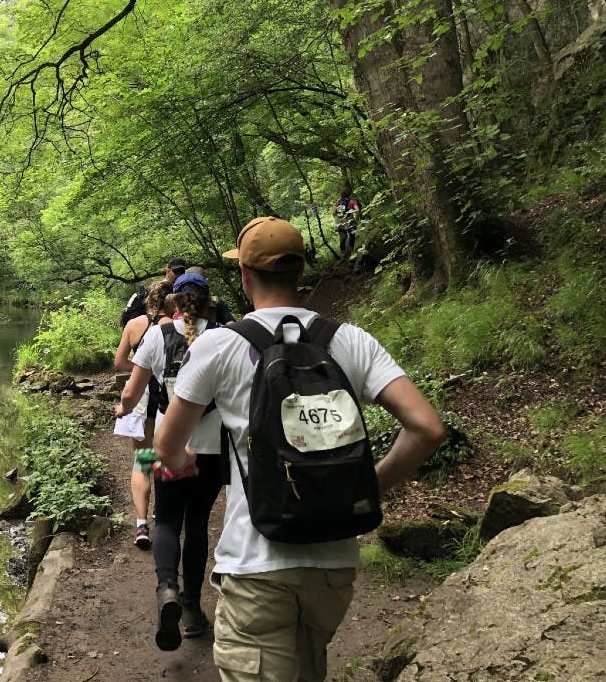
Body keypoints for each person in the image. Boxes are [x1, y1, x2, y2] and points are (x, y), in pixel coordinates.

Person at [154, 216, 445, 682]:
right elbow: (427, 428)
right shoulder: (350, 340)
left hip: (255, 561)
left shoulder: (218, 346)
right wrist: (369, 487)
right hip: (333, 563)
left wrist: (183, 460)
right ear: (302, 274)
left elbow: (166, 446)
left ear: (245, 276)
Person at [114, 272, 224, 650]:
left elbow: (132, 393)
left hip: (168, 443)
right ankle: (192, 608)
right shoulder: (225, 335)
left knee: (167, 519)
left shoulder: (157, 338)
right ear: (209, 300)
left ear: (174, 303)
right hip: (212, 447)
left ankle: (167, 590)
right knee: (197, 523)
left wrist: (121, 408)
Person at [113, 279, 175, 549]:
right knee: (162, 457)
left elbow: (119, 362)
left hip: (141, 398)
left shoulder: (134, 325)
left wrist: (140, 368)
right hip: (167, 398)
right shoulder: (174, 327)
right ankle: (162, 513)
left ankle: (141, 524)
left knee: (142, 460)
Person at [333, 189, 360, 258]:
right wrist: (356, 219)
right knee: (352, 236)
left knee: (343, 238)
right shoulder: (352, 202)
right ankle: (351, 252)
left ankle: (343, 254)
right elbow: (357, 210)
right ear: (349, 195)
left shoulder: (337, 202)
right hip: (350, 221)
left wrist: (338, 219)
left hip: (340, 222)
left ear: (341, 195)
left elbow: (333, 213)